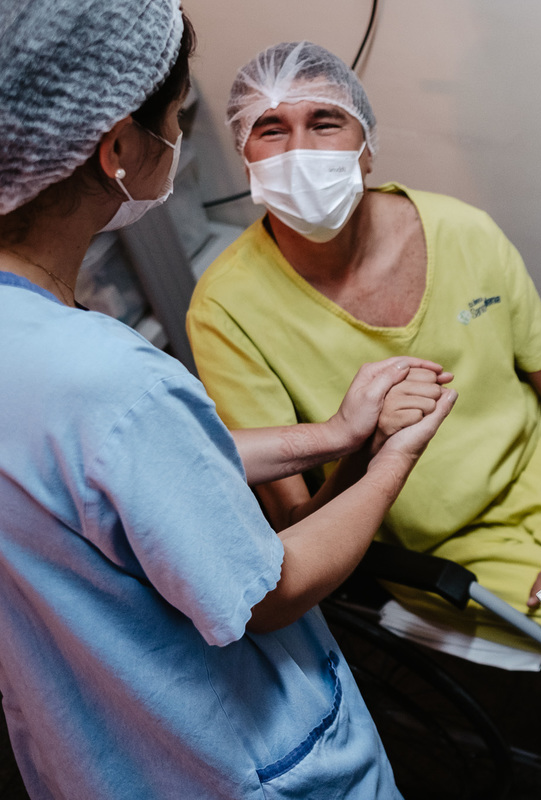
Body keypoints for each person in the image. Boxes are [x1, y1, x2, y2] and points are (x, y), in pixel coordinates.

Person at [0, 2, 456, 796]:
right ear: (117, 148)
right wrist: (391, 456)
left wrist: (332, 434)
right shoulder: (113, 377)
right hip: (232, 764)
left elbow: (124, 468)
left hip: (93, 748)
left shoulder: (36, 343)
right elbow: (268, 592)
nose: (179, 138)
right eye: (176, 117)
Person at [186, 41, 541, 639]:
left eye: (325, 122)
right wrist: (366, 444)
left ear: (366, 149)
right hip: (445, 542)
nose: (300, 151)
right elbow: (295, 529)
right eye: (272, 129)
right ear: (245, 157)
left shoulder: (463, 232)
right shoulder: (226, 309)